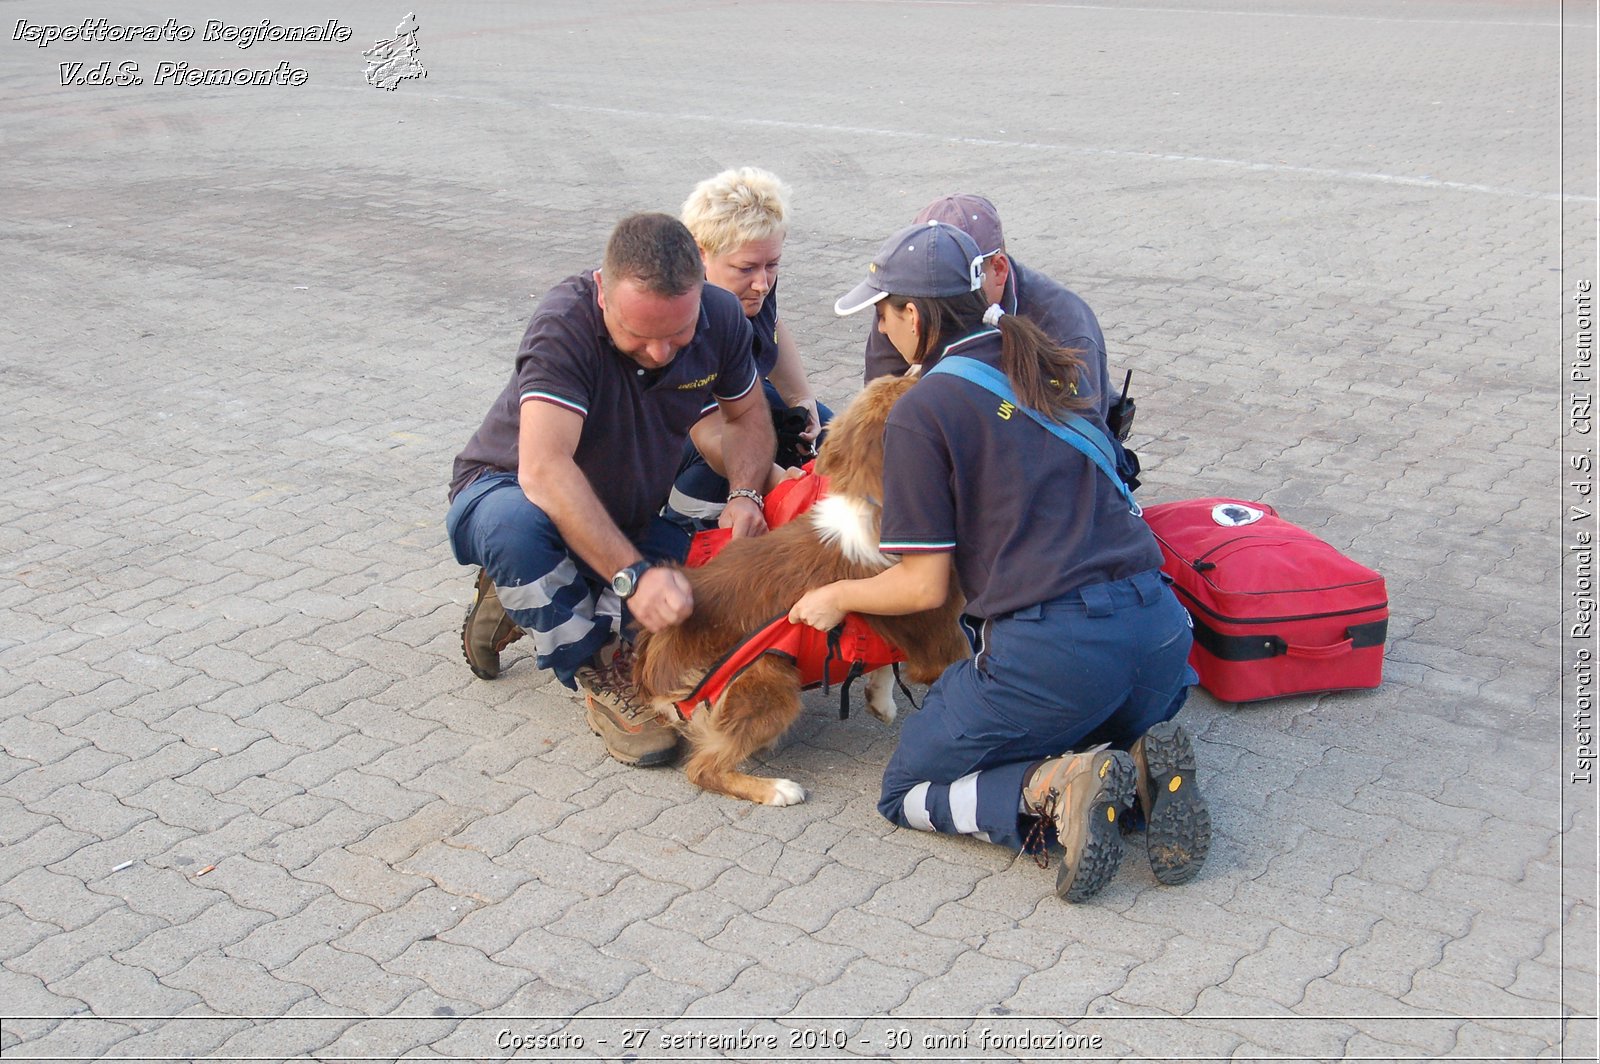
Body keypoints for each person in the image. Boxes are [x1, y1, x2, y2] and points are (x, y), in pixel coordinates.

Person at [790, 221, 1209, 903]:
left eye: (882, 310)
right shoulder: (1045, 362)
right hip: (1160, 639)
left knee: (908, 789)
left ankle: (1053, 789)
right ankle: (1135, 769)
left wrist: (838, 595)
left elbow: (925, 585)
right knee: (1080, 711)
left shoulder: (923, 409)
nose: (879, 326)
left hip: (1059, 654)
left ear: (915, 314)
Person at [447, 213, 776, 767]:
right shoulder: (565, 323)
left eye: (677, 335)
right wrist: (632, 578)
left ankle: (535, 593)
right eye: (640, 336)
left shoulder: (720, 316)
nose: (660, 353)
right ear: (603, 292)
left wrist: (747, 494)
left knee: (691, 600)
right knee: (520, 532)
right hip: (506, 491)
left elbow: (746, 417)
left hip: (624, 514)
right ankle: (596, 667)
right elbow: (545, 471)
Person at [863, 194, 1139, 487]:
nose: (933, 300)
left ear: (998, 269)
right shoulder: (907, 306)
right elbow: (878, 424)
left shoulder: (1063, 325)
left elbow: (1076, 461)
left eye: (955, 278)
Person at [664, 167, 833, 531]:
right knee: (720, 480)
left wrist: (801, 397)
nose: (761, 284)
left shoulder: (755, 285)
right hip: (682, 438)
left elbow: (772, 325)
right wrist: (784, 486)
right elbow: (709, 434)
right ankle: (681, 531)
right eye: (746, 268)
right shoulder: (683, 316)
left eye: (772, 265)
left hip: (740, 401)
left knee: (829, 433)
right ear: (700, 254)